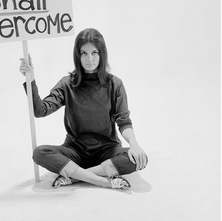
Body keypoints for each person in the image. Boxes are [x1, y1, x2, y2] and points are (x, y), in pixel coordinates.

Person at [19, 28, 148, 189]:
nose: (90, 59)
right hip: (75, 152)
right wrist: (30, 80)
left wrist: (134, 144)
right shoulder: (67, 84)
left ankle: (75, 177)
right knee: (40, 153)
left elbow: (123, 120)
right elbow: (40, 110)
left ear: (102, 54)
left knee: (136, 158)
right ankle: (103, 180)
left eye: (94, 53)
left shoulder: (115, 84)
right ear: (77, 55)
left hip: (107, 150)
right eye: (84, 53)